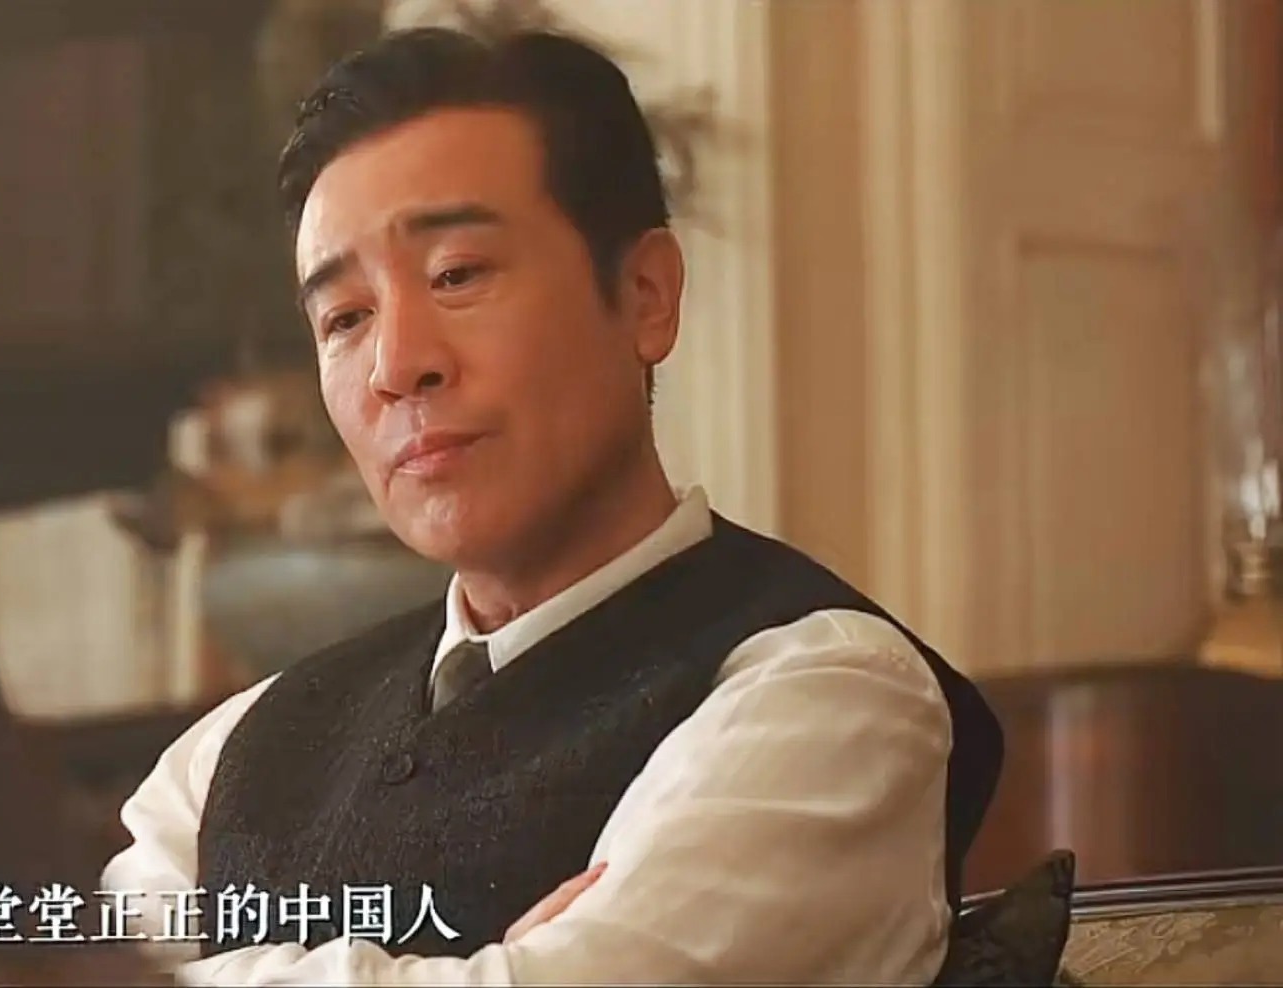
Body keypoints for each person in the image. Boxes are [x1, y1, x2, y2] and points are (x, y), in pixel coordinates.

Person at [103, 25, 1003, 985]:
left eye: (457, 274)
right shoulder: (240, 747)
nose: (397, 363)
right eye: (345, 317)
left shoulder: (824, 693)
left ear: (646, 296)